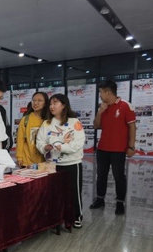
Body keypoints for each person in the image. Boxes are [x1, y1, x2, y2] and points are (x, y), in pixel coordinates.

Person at [36, 94, 85, 228]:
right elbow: (40, 141)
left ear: (63, 105)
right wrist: (44, 147)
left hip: (71, 163)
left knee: (74, 192)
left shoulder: (74, 122)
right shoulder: (47, 123)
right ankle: (57, 218)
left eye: (55, 103)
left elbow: (78, 143)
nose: (51, 106)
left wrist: (60, 147)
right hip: (52, 165)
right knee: (55, 193)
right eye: (50, 104)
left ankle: (77, 216)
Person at [90, 80, 137, 215]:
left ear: (108, 92)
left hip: (118, 150)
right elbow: (96, 126)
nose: (100, 95)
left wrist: (131, 147)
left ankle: (120, 203)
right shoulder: (103, 107)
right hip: (102, 149)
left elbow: (132, 127)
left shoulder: (125, 106)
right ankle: (100, 199)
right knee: (101, 175)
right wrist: (100, 112)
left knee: (119, 176)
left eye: (101, 92)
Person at [16, 91, 49, 167]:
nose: (35, 103)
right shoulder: (25, 119)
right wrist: (19, 157)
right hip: (27, 161)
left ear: (45, 103)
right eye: (34, 100)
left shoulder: (48, 120)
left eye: (39, 100)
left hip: (43, 161)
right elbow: (20, 139)